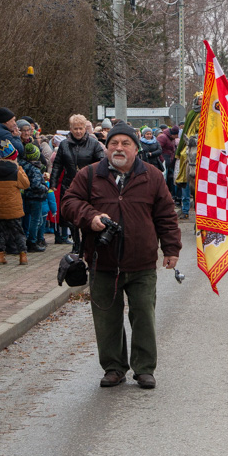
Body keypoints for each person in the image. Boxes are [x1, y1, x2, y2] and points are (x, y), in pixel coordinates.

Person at [61, 122, 181, 389]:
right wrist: (90, 217)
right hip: (102, 262)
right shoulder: (90, 175)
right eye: (114, 143)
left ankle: (144, 369)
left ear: (136, 149)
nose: (119, 148)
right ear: (106, 148)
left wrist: (171, 249)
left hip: (142, 264)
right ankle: (114, 368)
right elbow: (68, 203)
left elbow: (166, 216)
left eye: (125, 143)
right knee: (106, 320)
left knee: (144, 317)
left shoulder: (152, 176)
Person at [50, 114, 105, 249]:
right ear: (71, 129)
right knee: (71, 215)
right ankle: (76, 243)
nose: (78, 131)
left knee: (87, 214)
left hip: (89, 185)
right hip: (69, 184)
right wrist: (53, 183)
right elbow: (57, 165)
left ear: (85, 128)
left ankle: (87, 241)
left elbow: (102, 162)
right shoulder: (64, 144)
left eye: (81, 128)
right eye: (75, 129)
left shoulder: (93, 144)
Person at [0, 141, 30, 265]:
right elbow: (26, 184)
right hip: (14, 209)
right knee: (18, 232)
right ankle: (22, 255)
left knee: (0, 232)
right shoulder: (16, 172)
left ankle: (0, 256)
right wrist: (20, 169)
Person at [19, 144, 48, 252]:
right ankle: (32, 241)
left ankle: (27, 239)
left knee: (27, 219)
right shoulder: (34, 169)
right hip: (36, 197)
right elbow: (35, 185)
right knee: (36, 220)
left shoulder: (23, 165)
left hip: (26, 196)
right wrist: (44, 187)